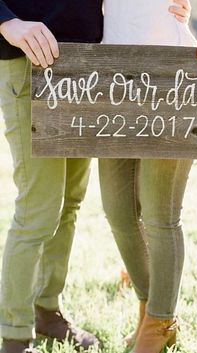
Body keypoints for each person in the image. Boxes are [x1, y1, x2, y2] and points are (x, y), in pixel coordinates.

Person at [100, 1, 197, 353]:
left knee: (160, 216)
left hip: (172, 75)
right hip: (110, 78)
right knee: (118, 212)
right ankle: (148, 308)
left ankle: (160, 321)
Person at [0, 1, 103, 353]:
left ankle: (48, 312)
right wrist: (6, 22)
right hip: (28, 62)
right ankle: (14, 336)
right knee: (37, 212)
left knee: (69, 205)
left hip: (89, 66)